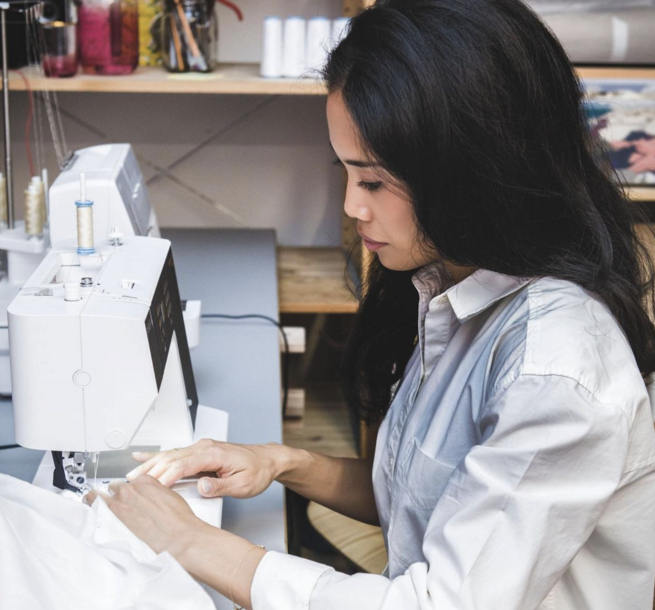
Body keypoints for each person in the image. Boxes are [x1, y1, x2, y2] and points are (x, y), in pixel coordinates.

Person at [86, 0, 655, 608]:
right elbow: (426, 494)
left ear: (472, 167)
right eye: (348, 174)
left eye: (375, 181)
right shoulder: (455, 284)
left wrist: (189, 542)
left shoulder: (556, 372)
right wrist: (280, 461)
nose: (355, 207)